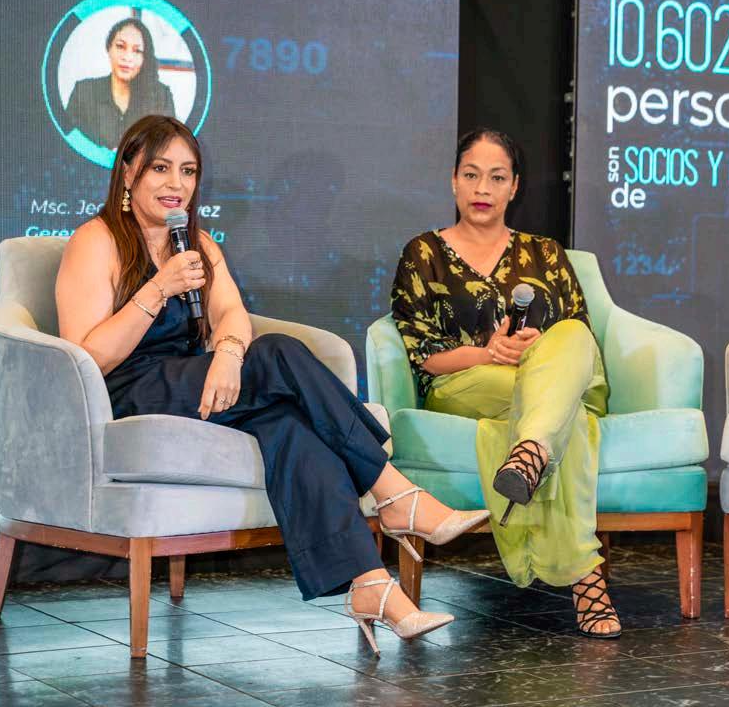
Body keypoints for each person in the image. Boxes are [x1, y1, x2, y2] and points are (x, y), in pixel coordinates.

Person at [55, 114, 488, 656]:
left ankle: (370, 584)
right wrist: (158, 289)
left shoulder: (195, 242)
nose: (176, 184)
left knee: (290, 427)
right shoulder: (95, 241)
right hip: (129, 390)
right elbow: (86, 357)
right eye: (160, 169)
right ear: (127, 173)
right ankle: (393, 491)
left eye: (188, 171)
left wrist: (229, 353)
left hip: (196, 380)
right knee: (279, 352)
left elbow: (232, 313)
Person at [390, 128, 621, 638]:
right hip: (466, 385)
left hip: (549, 383)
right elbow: (421, 353)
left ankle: (530, 451)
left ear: (514, 186)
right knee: (567, 420)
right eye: (471, 175)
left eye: (497, 178)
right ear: (453, 180)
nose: (483, 188)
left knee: (569, 340)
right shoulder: (423, 253)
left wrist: (536, 351)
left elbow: (578, 340)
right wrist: (488, 353)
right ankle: (587, 579)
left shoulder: (546, 253)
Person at [65, 17, 177, 150]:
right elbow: (68, 145)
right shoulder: (83, 92)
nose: (127, 57)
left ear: (144, 57)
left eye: (137, 51)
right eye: (120, 46)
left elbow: (167, 149)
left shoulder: (161, 97)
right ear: (109, 48)